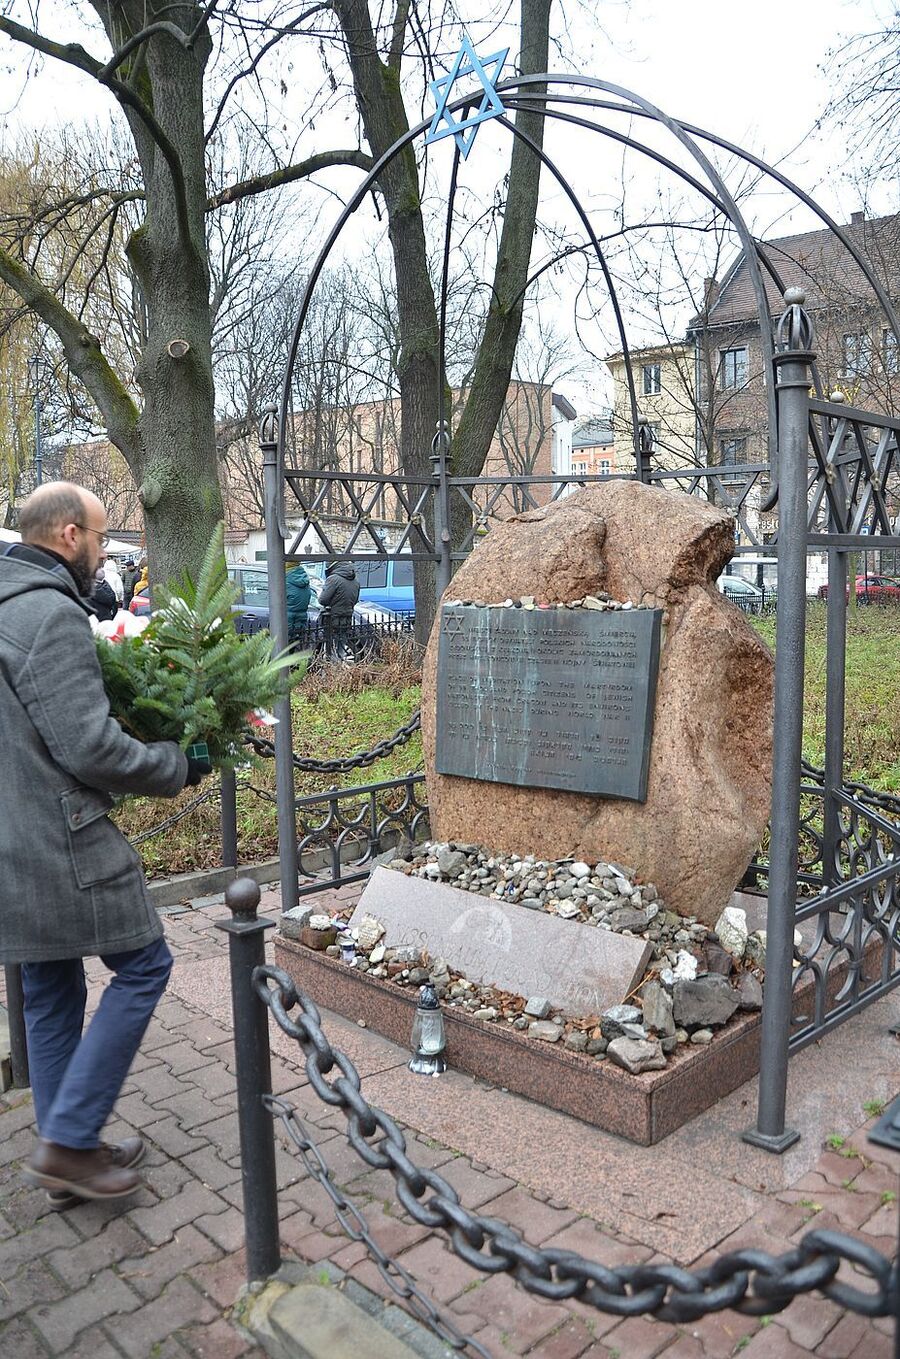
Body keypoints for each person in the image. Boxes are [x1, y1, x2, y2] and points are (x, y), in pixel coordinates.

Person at [0, 482, 211, 1203]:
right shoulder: (48, 615)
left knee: (49, 986)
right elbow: (89, 747)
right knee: (145, 963)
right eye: (98, 535)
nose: (103, 551)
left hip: (10, 839)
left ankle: (68, 1153)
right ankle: (68, 1141)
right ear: (68, 535)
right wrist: (176, 764)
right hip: (55, 838)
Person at [318, 561, 360, 658]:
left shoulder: (333, 579)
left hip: (331, 618)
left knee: (330, 648)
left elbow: (322, 600)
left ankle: (332, 664)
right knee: (341, 646)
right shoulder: (355, 580)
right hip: (347, 617)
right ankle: (340, 664)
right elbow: (355, 600)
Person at [285, 563, 312, 643]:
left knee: (285, 645)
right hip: (301, 617)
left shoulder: (285, 578)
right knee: (297, 643)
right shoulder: (304, 577)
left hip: (287, 618)